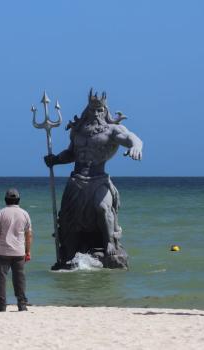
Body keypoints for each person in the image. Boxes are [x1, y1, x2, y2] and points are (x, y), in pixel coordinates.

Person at [44, 89, 142, 269]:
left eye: (100, 110)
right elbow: (71, 153)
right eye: (92, 110)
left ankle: (109, 242)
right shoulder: (78, 130)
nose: (96, 114)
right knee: (67, 218)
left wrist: (136, 146)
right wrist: (56, 160)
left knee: (103, 208)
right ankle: (69, 253)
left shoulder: (112, 130)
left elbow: (130, 137)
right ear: (87, 110)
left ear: (105, 111)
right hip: (77, 180)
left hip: (98, 180)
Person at [0, 188, 33, 312]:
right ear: (18, 200)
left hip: (3, 251)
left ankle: (1, 305)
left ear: (5, 200)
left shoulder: (1, 213)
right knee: (19, 278)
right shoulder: (25, 214)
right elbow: (28, 235)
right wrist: (28, 251)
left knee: (0, 278)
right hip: (19, 251)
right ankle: (22, 304)